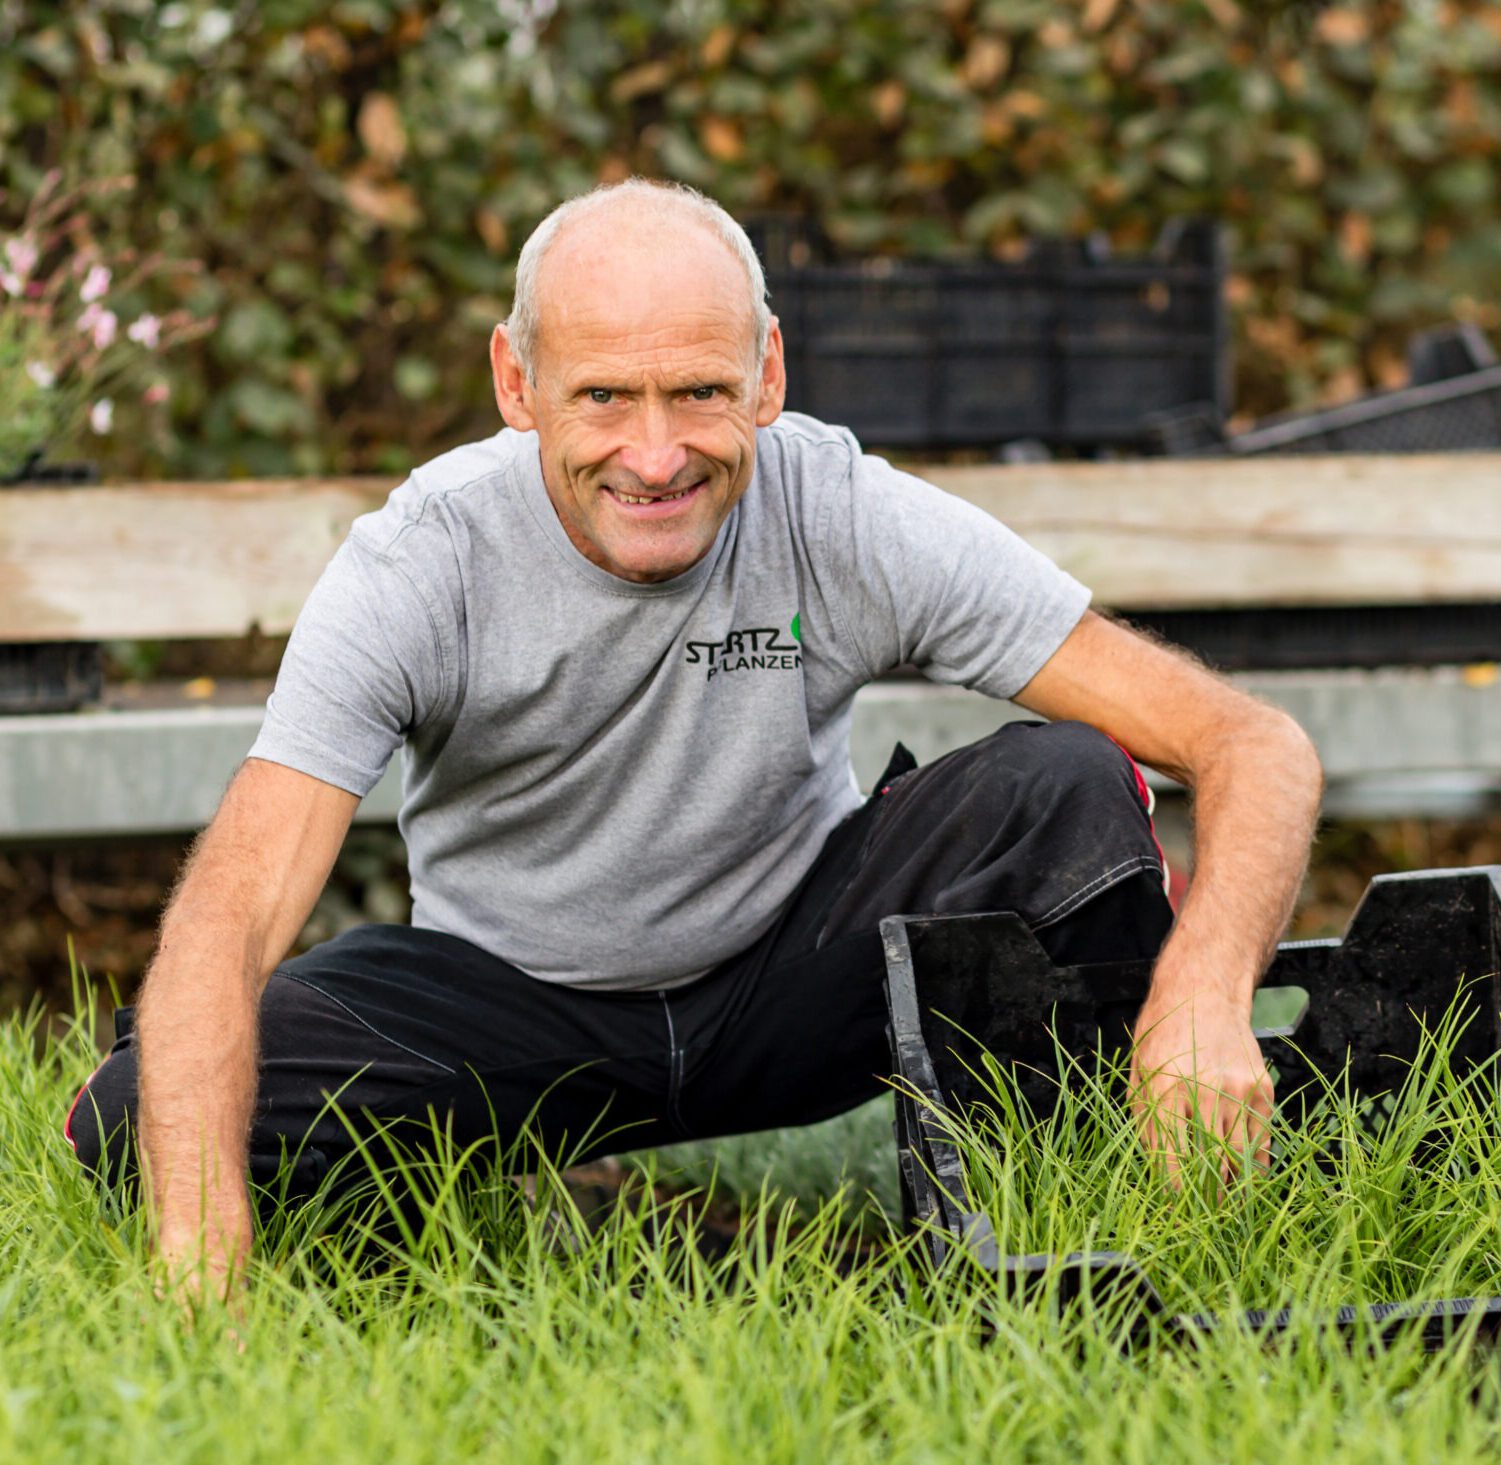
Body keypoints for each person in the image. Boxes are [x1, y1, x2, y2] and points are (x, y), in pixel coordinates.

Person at [67, 179, 1322, 1301]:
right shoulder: (420, 562)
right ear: (516, 384)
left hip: (799, 976)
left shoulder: (838, 510)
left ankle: (1083, 1216)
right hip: (515, 1012)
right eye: (604, 395)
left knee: (1061, 781)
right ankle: (461, 1227)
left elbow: (1248, 743)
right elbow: (228, 908)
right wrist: (200, 1268)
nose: (654, 454)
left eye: (700, 393)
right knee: (142, 1117)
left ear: (767, 373)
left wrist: (1201, 998)